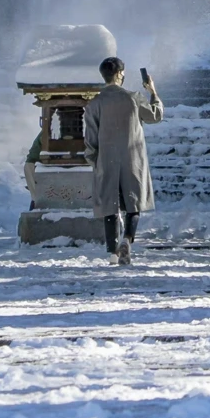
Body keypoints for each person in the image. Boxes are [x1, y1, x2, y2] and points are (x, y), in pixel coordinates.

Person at [83, 56, 163, 265]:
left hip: (106, 160)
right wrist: (152, 91)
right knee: (132, 203)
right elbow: (155, 115)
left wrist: (95, 161)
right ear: (119, 74)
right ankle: (127, 239)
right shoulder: (134, 98)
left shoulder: (95, 104)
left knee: (110, 206)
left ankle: (112, 253)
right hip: (132, 158)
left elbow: (90, 139)